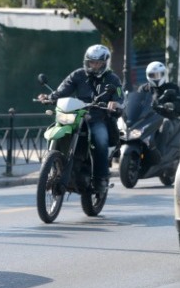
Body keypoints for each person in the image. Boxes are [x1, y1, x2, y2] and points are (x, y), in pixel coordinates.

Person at [37, 44, 123, 193]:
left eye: (98, 63)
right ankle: (51, 168)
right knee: (56, 128)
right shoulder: (78, 75)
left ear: (105, 63)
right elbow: (62, 90)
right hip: (75, 115)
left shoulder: (112, 79)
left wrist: (115, 103)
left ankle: (100, 179)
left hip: (97, 117)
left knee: (100, 139)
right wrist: (49, 97)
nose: (94, 65)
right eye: (91, 62)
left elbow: (120, 97)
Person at [136, 61, 180, 151]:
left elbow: (179, 101)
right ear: (148, 76)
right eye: (153, 75)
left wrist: (172, 105)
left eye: (159, 75)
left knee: (165, 123)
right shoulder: (143, 89)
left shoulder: (171, 87)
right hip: (147, 119)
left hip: (167, 118)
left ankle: (161, 152)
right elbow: (136, 102)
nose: (156, 78)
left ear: (164, 74)